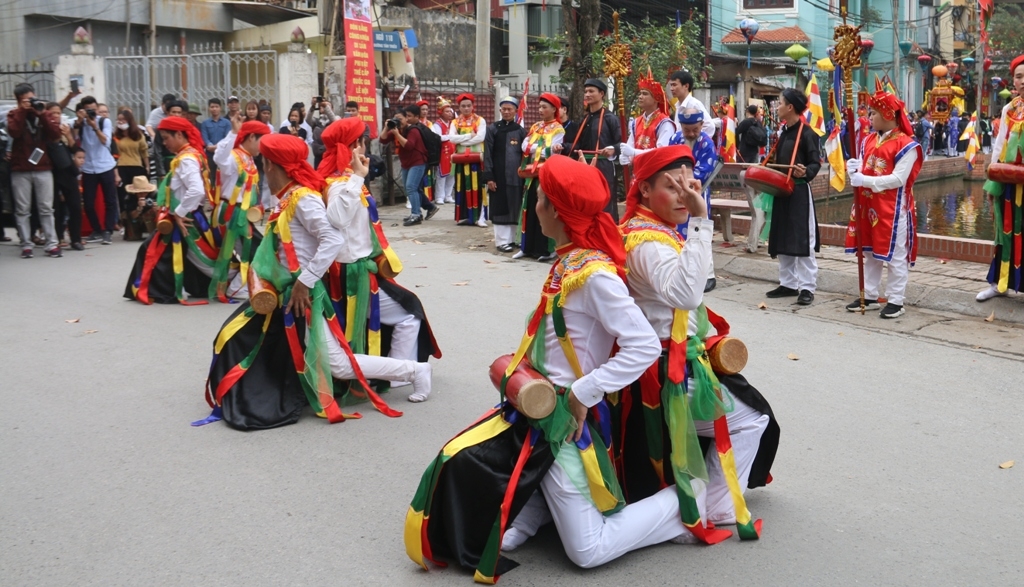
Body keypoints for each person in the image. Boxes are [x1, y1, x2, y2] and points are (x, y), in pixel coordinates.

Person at [406, 156, 691, 581]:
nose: (532, 207)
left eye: (538, 198)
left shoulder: (593, 274)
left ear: (555, 211)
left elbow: (644, 345)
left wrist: (582, 393)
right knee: (461, 460)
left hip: (563, 419)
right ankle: (529, 516)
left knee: (588, 551)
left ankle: (690, 502)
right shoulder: (569, 260)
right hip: (538, 404)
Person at [203, 133, 429, 430]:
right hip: (289, 291)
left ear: (271, 164)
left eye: (264, 161)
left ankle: (415, 370)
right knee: (238, 334)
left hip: (305, 293)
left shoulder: (303, 198)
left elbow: (332, 239)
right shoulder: (286, 195)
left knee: (335, 362)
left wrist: (305, 282)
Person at [608, 145, 776, 544]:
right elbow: (685, 294)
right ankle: (714, 506)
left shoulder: (647, 228)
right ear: (644, 191)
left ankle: (705, 494)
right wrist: (702, 220)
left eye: (690, 186)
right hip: (666, 371)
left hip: (671, 358)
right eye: (672, 187)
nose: (685, 196)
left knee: (747, 406)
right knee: (752, 418)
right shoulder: (648, 241)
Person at [318, 117, 442, 401]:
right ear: (351, 146)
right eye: (361, 142)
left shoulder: (343, 178)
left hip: (356, 269)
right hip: (353, 273)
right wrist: (357, 177)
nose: (365, 147)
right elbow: (337, 219)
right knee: (409, 314)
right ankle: (406, 371)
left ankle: (396, 372)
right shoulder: (341, 183)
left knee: (407, 311)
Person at [124, 116, 242, 304]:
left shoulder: (186, 159)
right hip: (186, 214)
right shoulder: (190, 154)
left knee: (198, 257)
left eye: (166, 138)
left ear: (179, 134)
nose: (164, 143)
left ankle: (236, 281)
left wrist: (178, 213)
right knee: (175, 253)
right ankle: (186, 288)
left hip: (186, 217)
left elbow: (197, 190)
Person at [844, 91, 924, 319]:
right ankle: (869, 295)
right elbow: (865, 166)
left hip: (893, 208)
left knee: (896, 255)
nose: (870, 117)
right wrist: (854, 168)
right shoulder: (869, 139)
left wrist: (864, 180)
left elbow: (898, 180)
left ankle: (896, 300)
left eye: (874, 112)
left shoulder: (907, 145)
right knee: (869, 252)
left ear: (888, 114)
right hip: (868, 205)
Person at [764, 88, 821, 306]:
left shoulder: (807, 134)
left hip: (798, 192)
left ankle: (807, 287)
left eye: (779, 103)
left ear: (790, 107)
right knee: (782, 236)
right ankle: (788, 283)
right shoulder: (783, 132)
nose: (776, 107)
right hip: (781, 191)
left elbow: (815, 163)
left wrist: (805, 171)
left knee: (803, 240)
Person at [978, 54, 1024, 302]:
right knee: (1003, 232)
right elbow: (999, 146)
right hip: (1007, 180)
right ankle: (1000, 283)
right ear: (1013, 81)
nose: (1023, 81)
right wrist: (992, 180)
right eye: (1019, 76)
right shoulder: (1009, 108)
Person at [211, 117, 271, 302]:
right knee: (251, 251)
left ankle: (240, 284)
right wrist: (233, 133)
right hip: (233, 213)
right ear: (252, 137)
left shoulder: (250, 158)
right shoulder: (234, 156)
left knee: (254, 250)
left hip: (243, 214)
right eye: (263, 140)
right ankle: (238, 288)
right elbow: (218, 157)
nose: (264, 146)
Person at [7, 84, 62, 258]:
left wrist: (42, 114)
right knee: (23, 209)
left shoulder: (42, 111)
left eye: (32, 98)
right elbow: (14, 132)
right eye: (26, 100)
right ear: (18, 101)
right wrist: (22, 111)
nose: (31, 103)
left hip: (43, 167)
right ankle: (26, 244)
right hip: (20, 169)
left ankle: (51, 244)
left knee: (46, 208)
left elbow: (55, 134)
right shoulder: (13, 115)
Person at [670, 107, 719, 291]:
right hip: (678, 191)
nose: (691, 134)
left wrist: (683, 181)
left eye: (695, 129)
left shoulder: (706, 143)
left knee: (700, 229)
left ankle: (708, 275)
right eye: (687, 129)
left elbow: (704, 170)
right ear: (681, 126)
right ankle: (684, 272)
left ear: (701, 125)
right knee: (679, 231)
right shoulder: (675, 139)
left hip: (698, 192)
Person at [560, 78, 622, 221]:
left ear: (601, 94)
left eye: (591, 91)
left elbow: (621, 144)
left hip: (603, 166)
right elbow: (578, 145)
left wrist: (613, 149)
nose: (587, 94)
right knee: (586, 200)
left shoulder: (610, 118)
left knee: (604, 201)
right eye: (586, 91)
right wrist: (563, 147)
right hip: (585, 166)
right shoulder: (585, 120)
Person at [515, 93, 563, 261]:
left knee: (544, 208)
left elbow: (552, 151)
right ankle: (526, 246)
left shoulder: (558, 129)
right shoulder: (536, 126)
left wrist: (535, 148)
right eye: (540, 107)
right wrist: (540, 148)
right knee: (528, 206)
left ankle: (546, 249)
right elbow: (523, 145)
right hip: (532, 173)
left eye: (544, 107)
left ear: (554, 109)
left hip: (547, 172)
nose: (541, 110)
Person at [72, 96, 119, 246]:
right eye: (88, 110)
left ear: (97, 109)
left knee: (110, 201)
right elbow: (72, 139)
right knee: (88, 203)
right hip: (88, 168)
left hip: (105, 165)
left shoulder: (104, 121)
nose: (91, 112)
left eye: (93, 109)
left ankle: (108, 231)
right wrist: (79, 122)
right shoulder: (80, 123)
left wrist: (94, 127)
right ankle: (97, 229)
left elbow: (106, 141)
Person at [482, 96, 527, 253]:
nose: (507, 112)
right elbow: (487, 154)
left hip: (516, 177)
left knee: (515, 206)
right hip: (498, 176)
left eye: (510, 109)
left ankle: (513, 239)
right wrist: (489, 177)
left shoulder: (521, 131)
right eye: (504, 109)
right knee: (500, 208)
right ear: (500, 110)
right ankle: (501, 242)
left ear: (515, 111)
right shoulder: (493, 129)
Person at [381, 106, 438, 226]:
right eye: (395, 118)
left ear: (407, 119)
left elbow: (409, 146)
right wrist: (387, 127)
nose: (398, 121)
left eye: (400, 118)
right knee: (410, 189)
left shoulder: (413, 130)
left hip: (418, 162)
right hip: (406, 163)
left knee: (411, 187)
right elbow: (382, 139)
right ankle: (426, 209)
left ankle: (416, 214)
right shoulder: (397, 130)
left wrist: (396, 133)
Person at [619, 69, 675, 169]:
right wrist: (627, 157)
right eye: (640, 93)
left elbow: (661, 152)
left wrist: (635, 153)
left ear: (656, 99)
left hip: (656, 174)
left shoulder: (664, 123)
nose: (640, 97)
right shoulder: (636, 122)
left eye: (645, 94)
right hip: (638, 172)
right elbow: (630, 146)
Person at [447, 93, 488, 226]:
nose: (466, 108)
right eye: (463, 106)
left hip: (476, 158)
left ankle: (480, 217)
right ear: (459, 107)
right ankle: (466, 216)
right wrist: (470, 136)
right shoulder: (455, 122)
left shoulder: (480, 120)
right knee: (462, 186)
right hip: (461, 159)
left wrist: (462, 142)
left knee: (479, 187)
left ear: (473, 106)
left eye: (468, 105)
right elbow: (451, 138)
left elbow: (481, 137)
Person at [46, 102, 83, 250]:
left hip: (67, 171)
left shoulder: (64, 128)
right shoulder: (44, 130)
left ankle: (76, 239)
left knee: (75, 206)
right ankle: (57, 237)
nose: (56, 116)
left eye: (58, 113)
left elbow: (75, 149)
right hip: (50, 171)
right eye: (52, 113)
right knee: (55, 208)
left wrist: (68, 135)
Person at [114, 108, 151, 239]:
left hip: (136, 167)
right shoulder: (116, 136)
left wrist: (147, 166)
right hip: (122, 167)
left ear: (129, 121)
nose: (120, 122)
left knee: (138, 195)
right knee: (123, 196)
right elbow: (114, 155)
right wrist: (116, 173)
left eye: (123, 120)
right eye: (119, 120)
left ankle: (139, 224)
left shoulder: (138, 135)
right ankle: (125, 223)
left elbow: (144, 152)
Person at [667, 70, 715, 138]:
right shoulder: (678, 106)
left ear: (686, 86)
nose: (671, 89)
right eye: (671, 85)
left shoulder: (694, 104)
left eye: (674, 85)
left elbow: (710, 127)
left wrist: (695, 141)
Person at [429, 97, 456, 205]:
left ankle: (448, 195)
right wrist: (451, 136)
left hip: (452, 151)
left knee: (452, 174)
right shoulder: (437, 124)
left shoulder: (453, 123)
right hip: (442, 152)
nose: (450, 113)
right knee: (441, 175)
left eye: (451, 111)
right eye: (447, 111)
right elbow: (438, 137)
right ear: (441, 113)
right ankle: (439, 196)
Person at [200, 98, 231, 177]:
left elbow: (227, 138)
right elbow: (205, 138)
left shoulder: (227, 122)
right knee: (211, 177)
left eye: (216, 107)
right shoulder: (205, 123)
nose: (214, 109)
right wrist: (210, 146)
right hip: (210, 155)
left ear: (220, 108)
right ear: (209, 108)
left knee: (223, 177)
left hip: (223, 155)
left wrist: (217, 147)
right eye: (212, 107)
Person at [307, 96, 338, 169]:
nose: (324, 107)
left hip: (330, 156)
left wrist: (326, 107)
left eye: (327, 106)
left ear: (332, 109)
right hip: (318, 155)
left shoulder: (336, 119)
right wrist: (313, 106)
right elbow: (308, 121)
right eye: (322, 106)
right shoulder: (317, 121)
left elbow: (335, 122)